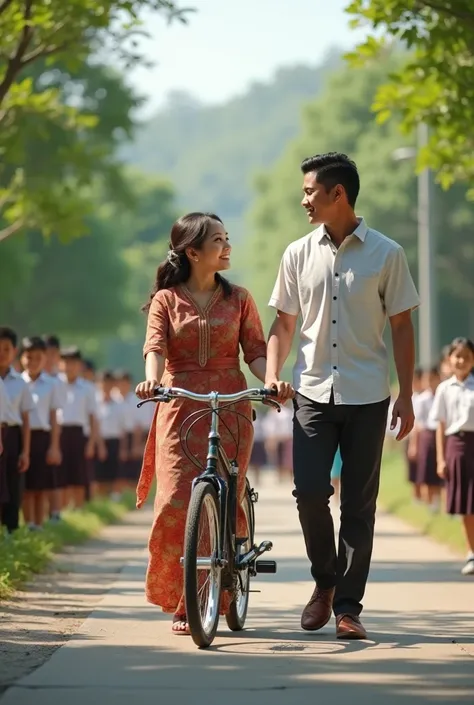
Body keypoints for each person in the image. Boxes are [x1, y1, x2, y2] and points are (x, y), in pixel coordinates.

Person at [265, 152, 420, 640]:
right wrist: (272, 374)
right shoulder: (296, 253)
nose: (304, 199)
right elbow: (283, 323)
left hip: (368, 394)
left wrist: (407, 394)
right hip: (311, 391)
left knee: (359, 504)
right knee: (310, 492)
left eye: (311, 191)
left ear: (339, 195)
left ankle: (349, 608)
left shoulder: (387, 254)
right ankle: (325, 583)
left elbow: (401, 326)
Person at [135, 212, 269, 636]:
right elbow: (155, 345)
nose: (227, 246)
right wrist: (153, 380)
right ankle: (184, 598)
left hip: (231, 401)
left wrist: (272, 381)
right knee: (176, 498)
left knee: (227, 493)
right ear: (193, 252)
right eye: (218, 240)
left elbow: (256, 350)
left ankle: (221, 592)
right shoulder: (166, 300)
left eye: (227, 238)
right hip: (180, 402)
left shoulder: (241, 298)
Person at [430, 337, 474, 576]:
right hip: (455, 447)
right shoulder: (444, 389)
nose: (461, 360)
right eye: (457, 356)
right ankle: (471, 552)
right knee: (466, 503)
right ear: (450, 359)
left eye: (467, 357)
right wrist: (441, 458)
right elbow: (441, 425)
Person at [21, 337, 62, 529]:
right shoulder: (17, 381)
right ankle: (27, 523)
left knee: (40, 485)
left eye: (38, 357)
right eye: (29, 357)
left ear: (44, 359)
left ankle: (38, 524)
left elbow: (54, 417)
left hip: (42, 437)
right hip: (20, 436)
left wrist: (54, 446)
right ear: (22, 358)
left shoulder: (51, 384)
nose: (33, 362)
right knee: (25, 486)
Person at [0, 327, 34, 533]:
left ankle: (10, 532)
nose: (1, 353)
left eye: (6, 349)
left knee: (13, 484)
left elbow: (26, 418)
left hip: (12, 435)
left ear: (14, 351)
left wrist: (26, 451)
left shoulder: (20, 382)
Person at [58, 347, 99, 509]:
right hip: (59, 432)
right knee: (60, 474)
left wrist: (91, 443)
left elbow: (93, 418)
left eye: (73, 363)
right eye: (66, 362)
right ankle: (61, 511)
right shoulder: (55, 384)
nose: (69, 366)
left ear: (79, 365)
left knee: (79, 475)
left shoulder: (87, 388)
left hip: (79, 434)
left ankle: (79, 509)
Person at [408, 366, 442, 511]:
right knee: (426, 470)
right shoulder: (422, 399)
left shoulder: (441, 395)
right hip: (426, 435)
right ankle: (428, 502)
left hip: (439, 434)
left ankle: (437, 502)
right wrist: (414, 444)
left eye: (433, 379)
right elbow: (418, 423)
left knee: (438, 471)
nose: (430, 382)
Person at [94, 370, 127, 498]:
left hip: (114, 441)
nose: (105, 386)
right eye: (103, 383)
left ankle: (112, 499)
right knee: (98, 475)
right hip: (98, 441)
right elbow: (94, 426)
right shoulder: (94, 402)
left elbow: (123, 429)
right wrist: (100, 445)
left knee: (114, 474)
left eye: (108, 383)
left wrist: (123, 449)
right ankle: (100, 500)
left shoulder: (119, 404)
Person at [113, 370, 143, 492]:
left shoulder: (135, 400)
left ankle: (131, 495)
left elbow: (138, 424)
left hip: (132, 436)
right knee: (117, 470)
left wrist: (136, 445)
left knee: (132, 471)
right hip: (116, 436)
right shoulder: (114, 399)